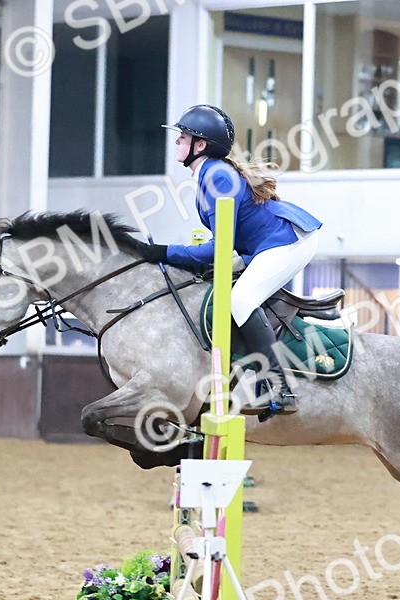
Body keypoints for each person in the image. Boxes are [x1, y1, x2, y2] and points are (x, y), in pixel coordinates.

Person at [131, 105, 322, 417]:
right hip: (266, 244)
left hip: (289, 241)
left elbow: (219, 249)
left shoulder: (218, 176)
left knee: (241, 299)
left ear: (200, 145)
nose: (177, 142)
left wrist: (164, 253)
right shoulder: (208, 174)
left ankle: (280, 386)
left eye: (183, 137)